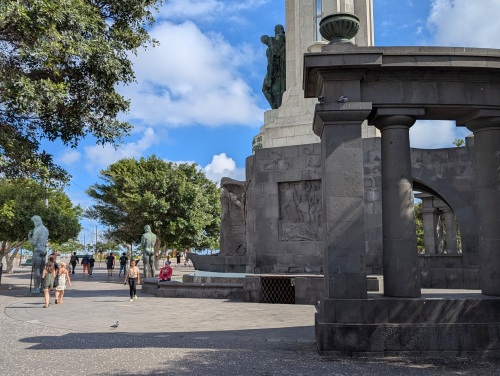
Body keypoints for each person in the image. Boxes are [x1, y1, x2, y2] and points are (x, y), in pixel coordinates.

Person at [28, 215, 49, 293]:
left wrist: (29, 236)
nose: (33, 224)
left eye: (33, 222)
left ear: (36, 221)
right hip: (44, 250)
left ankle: (36, 288)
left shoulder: (37, 229)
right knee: (42, 270)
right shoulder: (46, 230)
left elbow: (33, 242)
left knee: (36, 270)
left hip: (37, 250)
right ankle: (42, 288)